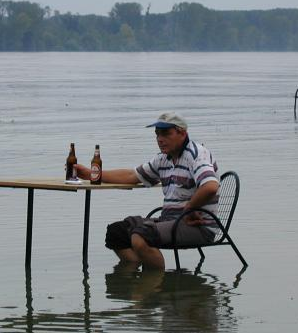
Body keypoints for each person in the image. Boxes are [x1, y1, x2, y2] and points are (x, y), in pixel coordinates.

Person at [75, 112, 220, 270]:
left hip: (198, 226)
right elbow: (132, 175)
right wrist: (91, 174)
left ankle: (156, 287)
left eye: (165, 133)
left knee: (140, 236)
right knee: (116, 232)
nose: (160, 139)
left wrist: (190, 207)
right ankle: (134, 280)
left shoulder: (196, 154)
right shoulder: (164, 158)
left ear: (182, 133)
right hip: (170, 220)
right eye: (157, 134)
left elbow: (211, 186)